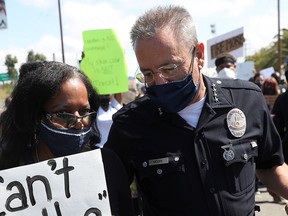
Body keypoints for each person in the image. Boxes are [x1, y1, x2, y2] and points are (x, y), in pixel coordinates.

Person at [104, 5, 288, 216]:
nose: (160, 82)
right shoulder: (130, 125)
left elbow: (271, 165)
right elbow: (107, 194)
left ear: (199, 55)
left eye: (169, 68)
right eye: (148, 73)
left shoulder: (247, 101)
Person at [0, 61, 133, 216]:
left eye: (84, 111)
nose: (78, 123)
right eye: (63, 114)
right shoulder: (9, 173)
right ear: (36, 117)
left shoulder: (108, 165)